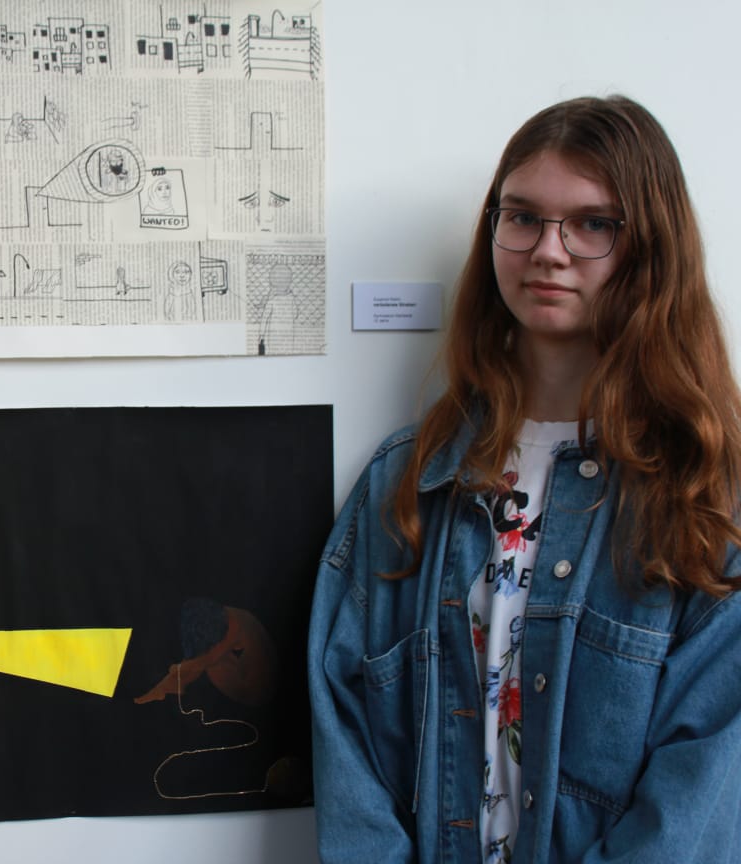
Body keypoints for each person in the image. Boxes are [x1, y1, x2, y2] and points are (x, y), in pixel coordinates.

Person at [308, 95, 741, 863]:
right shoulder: (408, 480)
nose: (548, 250)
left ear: (651, 248)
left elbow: (702, 788)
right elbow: (345, 739)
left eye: (593, 224)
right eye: (523, 217)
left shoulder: (706, 494)